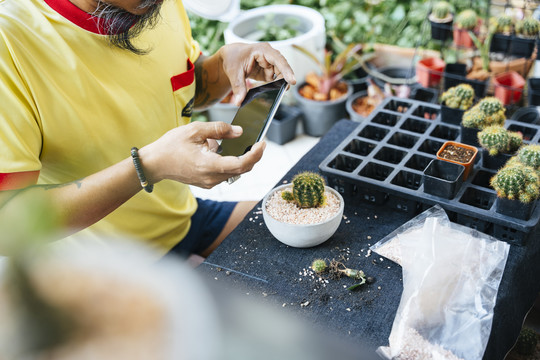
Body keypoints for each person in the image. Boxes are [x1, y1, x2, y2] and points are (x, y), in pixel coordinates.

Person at [0, 0, 296, 258]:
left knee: (304, 222)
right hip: (97, 267)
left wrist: (222, 65)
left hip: (182, 221)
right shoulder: (10, 42)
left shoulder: (153, 4)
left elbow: (183, 85)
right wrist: (148, 166)